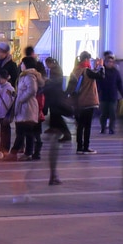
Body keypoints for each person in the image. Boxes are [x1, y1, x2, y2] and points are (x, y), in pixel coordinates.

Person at [41, 55, 72, 186]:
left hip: (56, 112)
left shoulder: (55, 75)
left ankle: (53, 175)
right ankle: (53, 175)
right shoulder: (54, 75)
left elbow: (53, 86)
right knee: (53, 148)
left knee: (53, 148)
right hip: (55, 113)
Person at [67, 52, 98, 154]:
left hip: (77, 103)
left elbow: (69, 88)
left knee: (80, 126)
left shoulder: (75, 70)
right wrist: (101, 66)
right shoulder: (87, 71)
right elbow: (101, 76)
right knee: (87, 126)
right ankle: (86, 147)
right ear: (86, 60)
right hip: (88, 102)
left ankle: (79, 147)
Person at [97, 52, 122, 135]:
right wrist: (97, 93)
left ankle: (111, 128)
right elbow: (97, 83)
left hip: (113, 96)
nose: (110, 63)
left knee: (112, 113)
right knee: (103, 113)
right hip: (103, 96)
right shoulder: (101, 71)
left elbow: (119, 83)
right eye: (108, 62)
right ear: (105, 62)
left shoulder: (116, 72)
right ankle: (103, 127)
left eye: (111, 62)